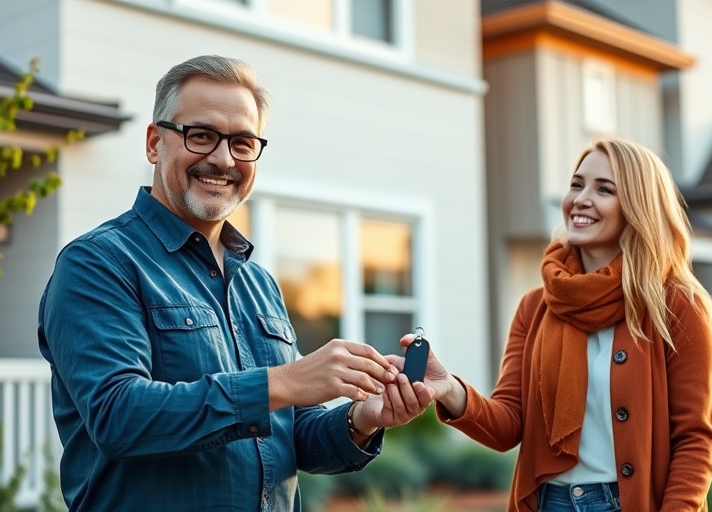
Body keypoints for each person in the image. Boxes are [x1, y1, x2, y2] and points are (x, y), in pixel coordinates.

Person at [38, 55, 431, 511]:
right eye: (201, 135)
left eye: (243, 143)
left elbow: (289, 436)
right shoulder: (98, 263)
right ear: (153, 143)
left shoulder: (257, 281)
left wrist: (362, 418)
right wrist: (282, 381)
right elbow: (118, 416)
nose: (223, 159)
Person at [406, 138, 712, 511]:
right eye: (577, 184)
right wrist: (448, 388)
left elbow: (695, 439)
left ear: (638, 207)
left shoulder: (676, 305)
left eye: (604, 189)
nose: (580, 198)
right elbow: (509, 424)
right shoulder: (535, 307)